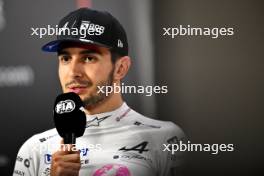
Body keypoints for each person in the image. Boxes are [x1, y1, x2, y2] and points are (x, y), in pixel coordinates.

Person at [13, 8, 185, 176]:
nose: (73, 72)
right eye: (65, 58)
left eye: (88, 58)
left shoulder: (166, 139)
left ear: (121, 68)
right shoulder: (34, 149)